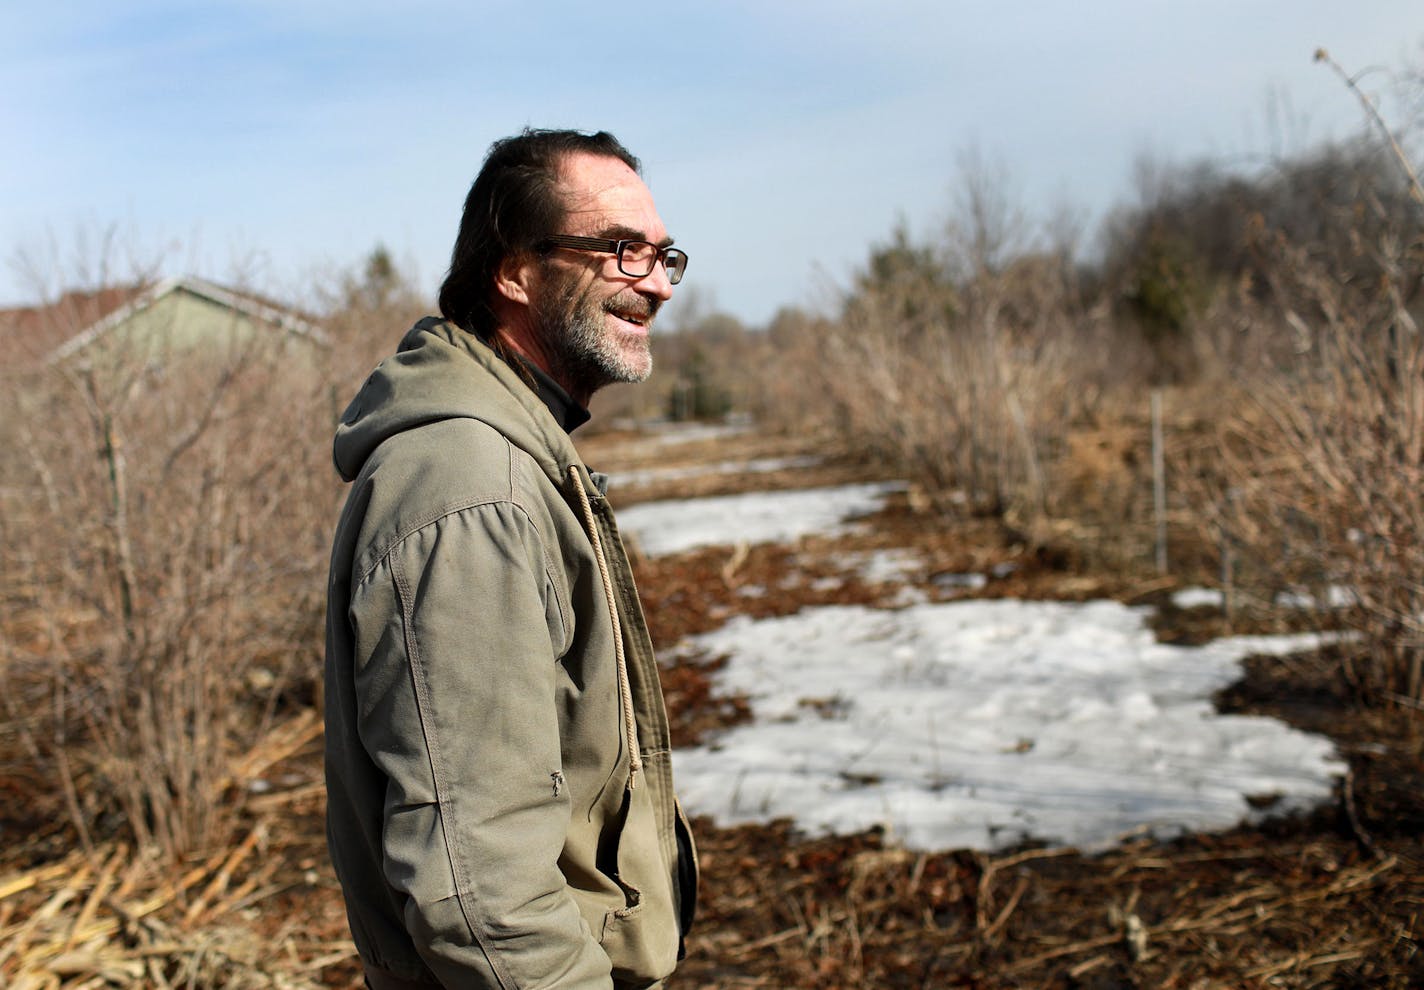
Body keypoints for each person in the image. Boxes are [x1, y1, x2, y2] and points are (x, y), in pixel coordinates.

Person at [323, 128, 697, 990]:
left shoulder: (517, 458)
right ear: (515, 271)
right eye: (619, 249)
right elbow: (477, 886)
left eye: (662, 254)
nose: (655, 282)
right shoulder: (468, 488)